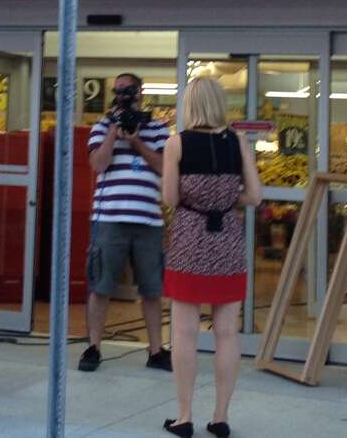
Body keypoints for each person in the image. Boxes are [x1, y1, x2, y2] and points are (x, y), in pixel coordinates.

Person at [160, 78, 263, 438]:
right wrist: (225, 201)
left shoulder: (177, 143)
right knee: (227, 334)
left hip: (190, 239)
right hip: (228, 243)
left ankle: (184, 416)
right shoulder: (237, 142)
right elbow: (254, 195)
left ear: (190, 104)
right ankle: (220, 418)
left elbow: (171, 198)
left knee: (184, 333)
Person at [78, 73, 173, 374]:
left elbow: (164, 167)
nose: (123, 95)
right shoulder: (101, 126)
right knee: (101, 285)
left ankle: (156, 350)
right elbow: (98, 164)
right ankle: (93, 347)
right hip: (109, 218)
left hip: (148, 221)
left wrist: (136, 143)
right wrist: (113, 131)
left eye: (128, 90)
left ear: (140, 93)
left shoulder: (158, 128)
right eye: (118, 91)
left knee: (152, 289)